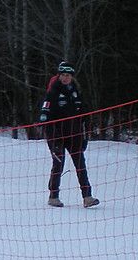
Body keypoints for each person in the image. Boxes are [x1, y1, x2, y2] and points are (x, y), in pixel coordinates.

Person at [39, 61, 99, 208]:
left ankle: (87, 197)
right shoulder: (53, 92)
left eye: (68, 75)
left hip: (75, 135)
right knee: (58, 165)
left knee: (80, 165)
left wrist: (84, 137)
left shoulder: (76, 91)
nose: (65, 78)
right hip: (57, 136)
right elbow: (44, 116)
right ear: (59, 76)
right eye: (63, 75)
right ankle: (53, 196)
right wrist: (53, 137)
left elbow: (84, 116)